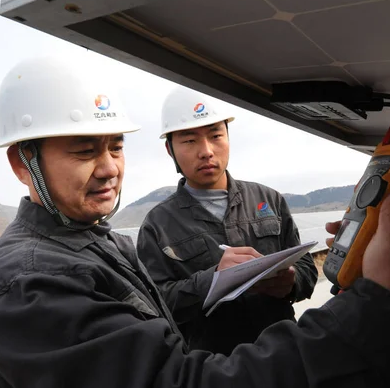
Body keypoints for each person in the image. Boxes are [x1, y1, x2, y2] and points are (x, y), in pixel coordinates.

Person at [0, 57, 390, 388]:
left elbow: (305, 275)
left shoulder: (102, 243)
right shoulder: (31, 286)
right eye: (85, 150)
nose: (108, 168)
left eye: (116, 147)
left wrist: (292, 281)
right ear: (23, 164)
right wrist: (372, 314)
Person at [136, 87, 318, 354]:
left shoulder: (269, 199)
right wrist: (214, 280)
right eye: (189, 141)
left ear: (228, 137)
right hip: (213, 370)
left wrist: (292, 282)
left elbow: (306, 268)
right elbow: (155, 304)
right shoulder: (157, 224)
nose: (206, 151)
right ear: (169, 149)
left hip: (284, 355)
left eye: (216, 136)